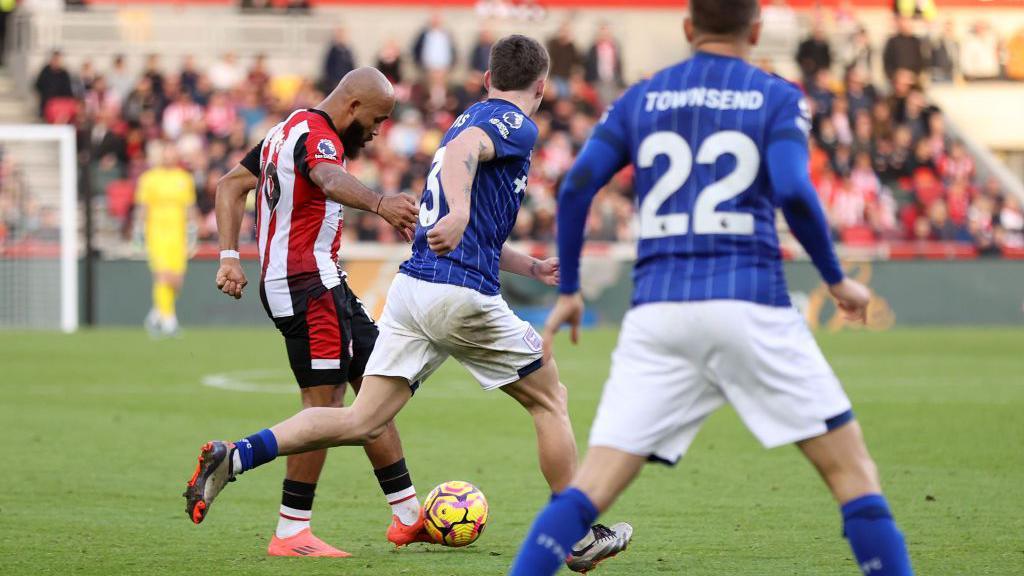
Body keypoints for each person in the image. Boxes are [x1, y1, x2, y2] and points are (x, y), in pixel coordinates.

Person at [181, 37, 631, 573]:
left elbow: (464, 212)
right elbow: (463, 180)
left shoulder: (465, 119)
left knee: (360, 420)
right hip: (458, 295)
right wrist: (461, 212)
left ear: (486, 80)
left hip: (414, 292)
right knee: (549, 399)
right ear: (540, 86)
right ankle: (576, 539)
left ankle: (238, 454)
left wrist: (529, 267)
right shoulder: (516, 124)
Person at [509, 1, 916, 574]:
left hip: (660, 311)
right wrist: (834, 277)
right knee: (853, 475)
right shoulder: (774, 96)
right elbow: (797, 195)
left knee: (589, 490)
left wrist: (571, 286)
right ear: (755, 31)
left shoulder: (642, 98)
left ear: (686, 28)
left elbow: (577, 186)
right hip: (752, 300)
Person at [193, 67, 426, 557]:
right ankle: (287, 526)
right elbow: (326, 176)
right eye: (377, 119)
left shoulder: (286, 129)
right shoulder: (319, 138)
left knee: (379, 385)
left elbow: (231, 184)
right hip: (307, 285)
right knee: (324, 410)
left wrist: (230, 256)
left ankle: (408, 517)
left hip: (322, 282)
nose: (378, 130)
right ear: (354, 108)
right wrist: (381, 203)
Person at [135, 143, 196, 337]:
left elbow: (189, 207)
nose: (168, 158)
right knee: (163, 275)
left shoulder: (184, 179)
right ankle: (169, 321)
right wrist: (139, 229)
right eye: (166, 154)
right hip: (157, 232)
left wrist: (193, 230)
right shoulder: (149, 178)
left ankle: (156, 315)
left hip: (178, 234)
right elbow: (143, 206)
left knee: (176, 280)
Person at [34, 50, 73, 118]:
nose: (56, 61)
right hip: (47, 102)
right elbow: (38, 85)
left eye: (58, 59)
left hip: (60, 104)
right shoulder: (45, 71)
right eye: (55, 59)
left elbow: (68, 91)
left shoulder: (64, 74)